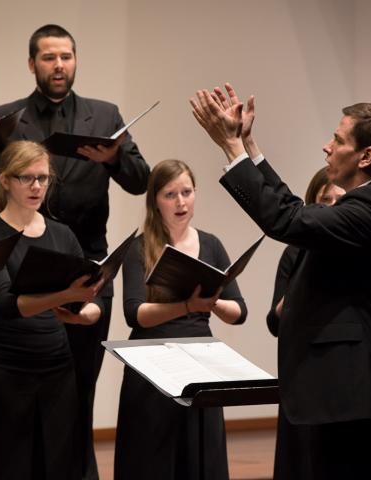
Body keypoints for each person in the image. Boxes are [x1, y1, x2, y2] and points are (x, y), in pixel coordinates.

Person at [191, 83, 371, 479]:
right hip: (344, 393)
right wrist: (249, 146)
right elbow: (293, 211)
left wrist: (231, 150)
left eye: (337, 139)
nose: (326, 147)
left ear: (367, 156)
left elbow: (288, 220)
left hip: (359, 395)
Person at [0, 25, 149, 477]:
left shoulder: (105, 114)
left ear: (75, 60)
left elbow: (141, 180)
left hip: (88, 265)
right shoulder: (7, 118)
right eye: (49, 57)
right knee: (29, 389)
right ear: (32, 64)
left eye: (67, 57)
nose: (59, 65)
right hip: (25, 263)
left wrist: (114, 158)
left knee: (80, 384)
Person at [0, 140, 105, 480]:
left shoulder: (62, 233)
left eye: (43, 178)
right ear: (5, 181)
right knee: (7, 463)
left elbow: (92, 301)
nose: (37, 186)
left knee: (55, 460)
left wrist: (83, 312)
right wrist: (64, 294)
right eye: (27, 178)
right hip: (4, 366)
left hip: (56, 364)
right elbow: (5, 303)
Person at [114, 159, 247, 480]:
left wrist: (212, 303)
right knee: (153, 456)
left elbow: (239, 311)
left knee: (200, 454)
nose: (181, 202)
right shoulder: (140, 247)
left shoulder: (211, 244)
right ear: (155, 201)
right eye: (170, 194)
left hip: (201, 361)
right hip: (152, 361)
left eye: (186, 192)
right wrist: (188, 305)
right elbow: (135, 314)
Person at [265, 166, 343, 479]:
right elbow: (274, 321)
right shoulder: (295, 251)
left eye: (342, 199)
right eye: (327, 199)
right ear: (312, 204)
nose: (334, 205)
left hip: (339, 369)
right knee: (300, 460)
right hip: (302, 367)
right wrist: (299, 287)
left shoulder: (356, 250)